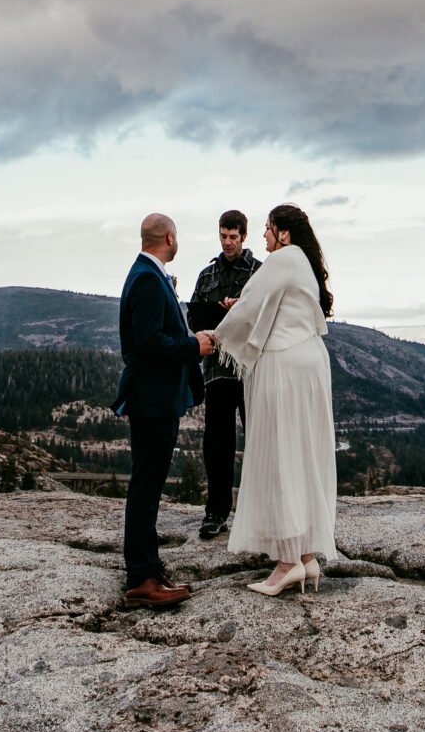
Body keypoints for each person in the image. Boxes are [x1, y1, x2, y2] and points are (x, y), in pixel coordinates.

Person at [211, 202, 337, 596]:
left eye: (267, 228)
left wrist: (217, 334)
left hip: (284, 365)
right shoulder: (303, 262)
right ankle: (305, 556)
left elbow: (251, 305)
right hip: (309, 361)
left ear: (283, 232)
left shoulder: (282, 259)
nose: (264, 235)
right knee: (302, 455)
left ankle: (285, 564)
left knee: (281, 456)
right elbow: (273, 305)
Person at [113, 212, 216, 607]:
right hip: (152, 401)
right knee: (146, 487)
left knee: (150, 486)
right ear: (169, 238)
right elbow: (149, 344)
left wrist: (190, 338)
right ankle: (141, 578)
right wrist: (196, 347)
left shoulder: (149, 275)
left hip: (158, 399)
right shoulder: (146, 278)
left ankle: (149, 567)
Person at [184, 209, 261, 540]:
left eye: (233, 237)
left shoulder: (259, 273)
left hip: (252, 369)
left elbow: (268, 315)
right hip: (216, 369)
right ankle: (216, 511)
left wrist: (238, 311)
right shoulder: (206, 276)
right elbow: (193, 318)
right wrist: (216, 313)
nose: (228, 242)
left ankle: (261, 511)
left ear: (244, 236)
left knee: (260, 439)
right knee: (217, 444)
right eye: (223, 236)